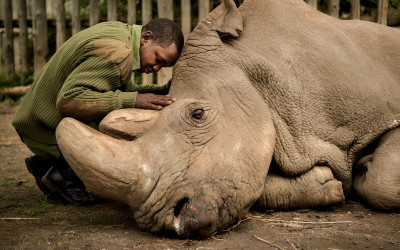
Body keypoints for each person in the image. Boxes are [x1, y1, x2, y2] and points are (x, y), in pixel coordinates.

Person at [12, 18, 184, 206]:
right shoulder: (118, 52)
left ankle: (46, 164)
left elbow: (113, 87)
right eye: (158, 58)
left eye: (163, 66)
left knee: (118, 105)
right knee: (118, 121)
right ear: (146, 38)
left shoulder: (121, 34)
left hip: (34, 118)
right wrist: (133, 100)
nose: (156, 68)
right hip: (42, 127)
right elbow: (69, 100)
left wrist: (158, 92)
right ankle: (62, 173)